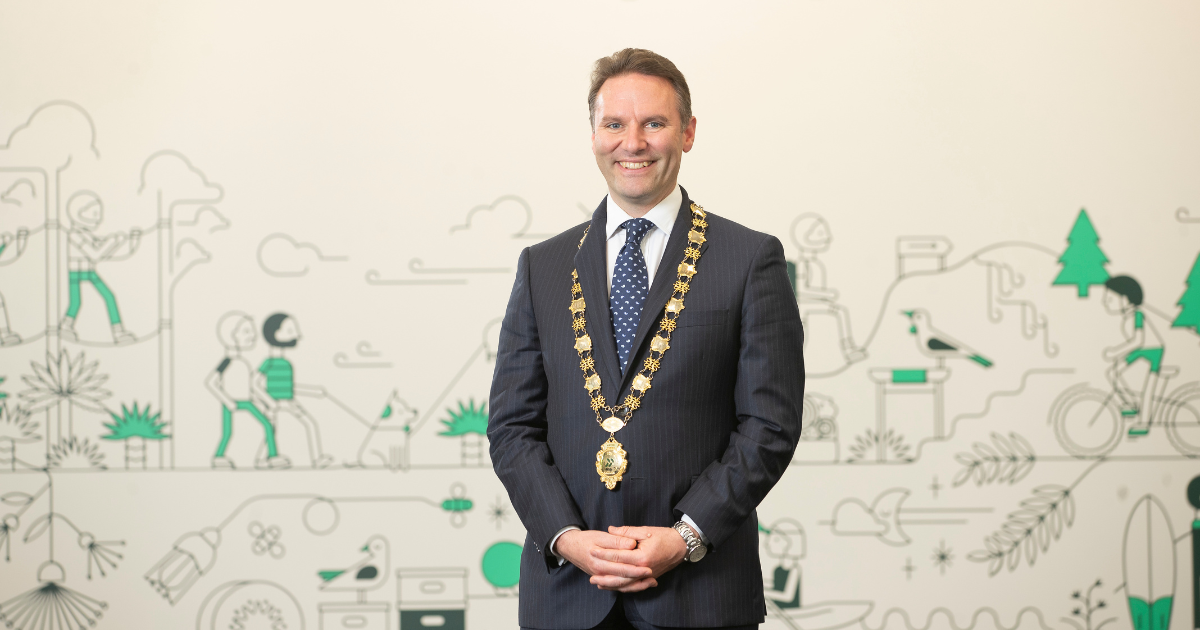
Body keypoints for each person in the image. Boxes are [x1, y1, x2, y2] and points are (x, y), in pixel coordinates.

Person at [488, 48, 805, 630]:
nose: (631, 143)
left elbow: (770, 425)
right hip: (566, 595)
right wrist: (566, 537)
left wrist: (686, 537)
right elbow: (512, 427)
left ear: (686, 134)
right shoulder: (544, 266)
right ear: (593, 136)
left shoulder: (749, 260)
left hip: (700, 595)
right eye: (614, 124)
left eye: (653, 124)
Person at [205, 311, 290, 469]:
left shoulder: (243, 362)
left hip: (246, 402)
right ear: (232, 335)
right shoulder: (226, 362)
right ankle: (218, 457)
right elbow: (211, 382)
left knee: (267, 425)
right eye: (246, 331)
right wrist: (227, 401)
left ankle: (272, 457)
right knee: (228, 433)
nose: (252, 336)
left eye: (252, 331)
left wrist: (263, 401)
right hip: (231, 403)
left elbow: (248, 387)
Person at [57, 191, 140, 345]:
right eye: (94, 213)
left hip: (89, 271)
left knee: (109, 297)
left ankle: (119, 332)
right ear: (80, 213)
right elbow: (95, 254)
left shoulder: (88, 235)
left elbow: (108, 254)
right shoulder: (74, 234)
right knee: (76, 302)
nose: (99, 218)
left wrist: (131, 242)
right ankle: (66, 326)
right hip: (76, 272)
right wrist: (114, 240)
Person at [254, 313, 334, 468]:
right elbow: (255, 383)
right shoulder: (268, 362)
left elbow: (288, 387)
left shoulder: (286, 363)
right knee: (270, 430)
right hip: (273, 404)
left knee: (310, 423)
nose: (297, 335)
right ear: (276, 334)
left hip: (289, 401)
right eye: (290, 331)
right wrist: (269, 401)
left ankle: (317, 459)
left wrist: (313, 392)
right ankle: (261, 460)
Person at [1100, 275, 1164, 435]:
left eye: (1109, 298)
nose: (1105, 301)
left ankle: (1143, 423)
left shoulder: (1137, 316)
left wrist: (1116, 351)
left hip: (1153, 351)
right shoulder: (1129, 315)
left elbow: (1138, 341)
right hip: (1142, 350)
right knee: (1112, 373)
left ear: (1126, 299)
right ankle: (1132, 404)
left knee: (1147, 390)